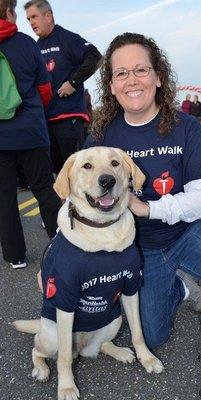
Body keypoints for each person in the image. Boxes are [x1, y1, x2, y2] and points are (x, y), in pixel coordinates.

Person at [84, 32, 201, 376]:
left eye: (140, 70)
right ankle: (180, 288)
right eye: (120, 73)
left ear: (158, 76)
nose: (131, 80)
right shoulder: (102, 136)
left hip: (191, 229)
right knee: (153, 335)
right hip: (142, 246)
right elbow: (81, 190)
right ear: (111, 85)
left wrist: (149, 208)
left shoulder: (185, 126)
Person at [0, 0, 61, 269]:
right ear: (9, 13)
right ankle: (62, 243)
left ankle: (16, 256)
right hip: (31, 131)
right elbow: (45, 90)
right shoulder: (27, 44)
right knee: (44, 189)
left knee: (4, 196)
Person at [24, 0, 102, 174]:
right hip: (46, 121)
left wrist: (73, 82)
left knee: (78, 170)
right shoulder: (36, 47)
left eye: (34, 16)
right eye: (28, 19)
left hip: (69, 116)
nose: (31, 22)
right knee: (59, 174)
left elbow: (95, 57)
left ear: (48, 15)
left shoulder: (67, 38)